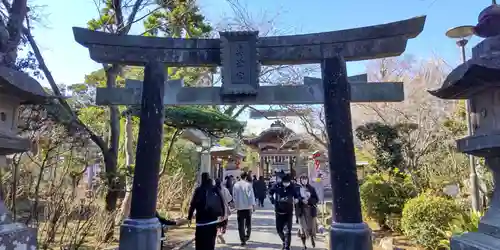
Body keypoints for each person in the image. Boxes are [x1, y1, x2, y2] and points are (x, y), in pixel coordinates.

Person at [187, 173, 225, 250]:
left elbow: (192, 205)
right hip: (212, 221)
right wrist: (223, 214)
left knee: (200, 243)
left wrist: (189, 217)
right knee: (210, 243)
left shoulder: (198, 190)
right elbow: (222, 201)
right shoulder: (215, 189)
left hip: (200, 222)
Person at [269, 174, 301, 250]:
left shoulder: (292, 187)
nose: (287, 183)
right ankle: (284, 241)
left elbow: (296, 196)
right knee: (279, 230)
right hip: (279, 212)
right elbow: (270, 192)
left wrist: (297, 199)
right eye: (285, 182)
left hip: (288, 212)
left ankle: (287, 246)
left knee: (288, 231)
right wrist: (272, 200)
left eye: (288, 182)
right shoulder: (277, 186)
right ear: (282, 181)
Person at [232, 171, 256, 246]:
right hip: (247, 207)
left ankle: (242, 239)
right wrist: (253, 205)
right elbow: (251, 196)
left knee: (240, 224)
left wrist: (235, 204)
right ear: (246, 177)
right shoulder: (248, 185)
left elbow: (234, 196)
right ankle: (247, 235)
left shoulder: (236, 185)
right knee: (248, 223)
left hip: (239, 207)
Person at [295, 175, 319, 249]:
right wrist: (301, 200)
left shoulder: (311, 188)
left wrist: (309, 201)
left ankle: (312, 238)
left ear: (307, 180)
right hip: (301, 211)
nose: (304, 181)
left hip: (310, 210)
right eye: (302, 179)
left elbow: (316, 199)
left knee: (311, 227)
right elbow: (295, 198)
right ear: (300, 180)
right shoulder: (297, 189)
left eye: (305, 179)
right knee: (302, 227)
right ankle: (304, 244)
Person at [214, 178, 232, 244]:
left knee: (216, 224)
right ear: (221, 183)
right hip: (223, 209)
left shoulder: (212, 190)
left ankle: (217, 237)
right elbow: (229, 198)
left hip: (214, 210)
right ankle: (221, 233)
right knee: (224, 223)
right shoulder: (224, 189)